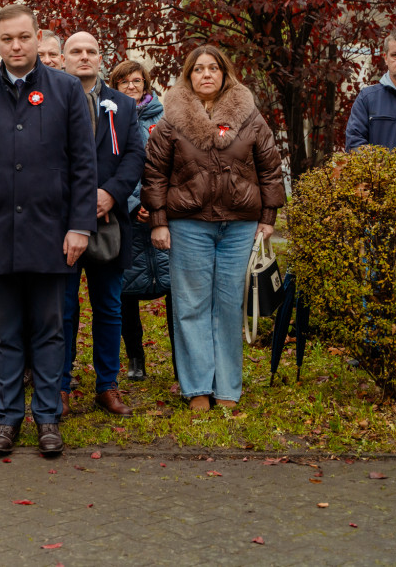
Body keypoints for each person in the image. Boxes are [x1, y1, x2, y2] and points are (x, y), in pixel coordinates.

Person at [0, 5, 97, 456]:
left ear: (38, 39)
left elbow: (83, 166)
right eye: (7, 38)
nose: (16, 46)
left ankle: (48, 418)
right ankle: (8, 417)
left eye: (24, 37)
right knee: (7, 332)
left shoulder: (67, 90)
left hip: (53, 234)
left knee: (51, 332)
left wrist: (79, 226)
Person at [142, 45, 285, 411]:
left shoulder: (249, 116)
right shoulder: (171, 119)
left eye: (213, 68)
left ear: (225, 74)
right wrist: (158, 222)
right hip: (189, 225)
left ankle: (227, 389)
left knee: (228, 306)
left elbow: (270, 167)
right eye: (198, 69)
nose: (206, 74)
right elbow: (155, 173)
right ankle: (197, 389)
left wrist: (268, 218)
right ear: (188, 77)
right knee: (190, 306)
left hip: (240, 226)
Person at [60, 33, 145, 418]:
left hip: (109, 221)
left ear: (101, 59)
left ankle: (106, 385)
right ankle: (59, 385)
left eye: (91, 51)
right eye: (75, 51)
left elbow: (134, 155)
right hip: (60, 223)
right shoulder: (49, 100)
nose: (83, 57)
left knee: (109, 307)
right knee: (61, 309)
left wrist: (110, 194)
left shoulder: (123, 105)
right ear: (62, 58)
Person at [109, 60, 175, 382]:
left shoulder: (165, 118)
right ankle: (136, 357)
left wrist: (158, 206)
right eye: (125, 82)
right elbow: (112, 168)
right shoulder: (110, 119)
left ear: (146, 85)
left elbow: (174, 166)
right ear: (116, 86)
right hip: (127, 217)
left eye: (137, 80)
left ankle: (182, 359)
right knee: (126, 292)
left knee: (177, 288)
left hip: (165, 217)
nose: (132, 86)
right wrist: (135, 204)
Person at [345, 28, 396, 152]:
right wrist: (385, 166)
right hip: (376, 171)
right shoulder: (366, 98)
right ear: (385, 58)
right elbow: (354, 143)